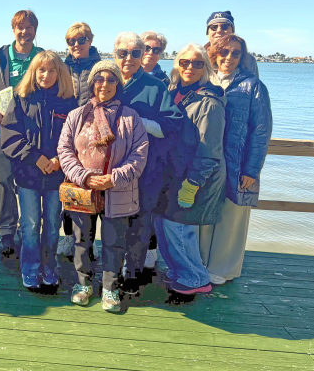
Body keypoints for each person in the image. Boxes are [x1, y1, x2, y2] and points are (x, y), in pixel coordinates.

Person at [57, 60, 149, 312]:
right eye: (99, 79)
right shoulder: (77, 115)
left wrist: (114, 178)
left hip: (117, 190)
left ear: (118, 84)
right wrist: (84, 176)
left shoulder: (131, 117)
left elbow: (139, 155)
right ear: (91, 84)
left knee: (114, 243)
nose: (104, 84)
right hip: (83, 190)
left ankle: (110, 288)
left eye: (110, 79)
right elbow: (65, 150)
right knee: (81, 241)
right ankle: (83, 284)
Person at [0, 51, 78, 289]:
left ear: (60, 73)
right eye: (41, 70)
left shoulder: (69, 101)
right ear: (33, 72)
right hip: (28, 175)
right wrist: (35, 158)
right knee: (31, 224)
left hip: (57, 175)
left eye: (52, 70)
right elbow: (10, 135)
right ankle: (30, 268)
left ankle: (49, 267)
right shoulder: (21, 98)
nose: (46, 75)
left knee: (53, 225)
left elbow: (76, 137)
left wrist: (59, 160)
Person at [113, 32, 183, 294]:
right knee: (113, 222)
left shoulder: (156, 87)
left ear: (142, 55)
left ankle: (132, 275)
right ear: (115, 54)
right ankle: (111, 272)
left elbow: (172, 125)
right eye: (123, 53)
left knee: (140, 224)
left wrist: (139, 122)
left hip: (147, 168)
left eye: (135, 53)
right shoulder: (107, 81)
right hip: (111, 169)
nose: (128, 58)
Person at [201, 35, 272, 285]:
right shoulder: (204, 80)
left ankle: (223, 268)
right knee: (204, 213)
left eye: (236, 53)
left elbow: (261, 130)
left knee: (232, 218)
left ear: (242, 57)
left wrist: (252, 169)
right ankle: (201, 263)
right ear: (214, 53)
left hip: (238, 162)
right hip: (208, 162)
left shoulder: (253, 86)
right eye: (224, 52)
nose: (229, 57)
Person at [155, 43, 224, 295]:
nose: (190, 68)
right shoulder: (172, 92)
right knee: (163, 225)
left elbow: (210, 149)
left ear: (205, 68)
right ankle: (177, 271)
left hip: (189, 177)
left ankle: (196, 278)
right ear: (177, 65)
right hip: (169, 174)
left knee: (180, 229)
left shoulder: (209, 103)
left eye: (197, 63)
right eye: (184, 62)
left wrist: (193, 183)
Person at [0, 10, 43, 258]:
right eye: (19, 27)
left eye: (29, 27)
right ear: (13, 30)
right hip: (0, 133)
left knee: (30, 184)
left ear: (35, 30)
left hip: (33, 136)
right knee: (3, 182)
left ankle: (29, 231)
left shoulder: (42, 57)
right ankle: (6, 231)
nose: (24, 32)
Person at [57, 22, 101, 259]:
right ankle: (68, 237)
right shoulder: (62, 67)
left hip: (94, 137)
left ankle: (90, 244)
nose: (76, 45)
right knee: (69, 188)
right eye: (71, 41)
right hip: (66, 134)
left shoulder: (100, 67)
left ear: (90, 41)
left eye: (81, 40)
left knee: (93, 190)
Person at [204, 11, 259, 77]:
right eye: (214, 27)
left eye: (224, 27)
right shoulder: (198, 56)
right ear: (207, 33)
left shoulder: (249, 60)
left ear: (233, 32)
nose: (219, 30)